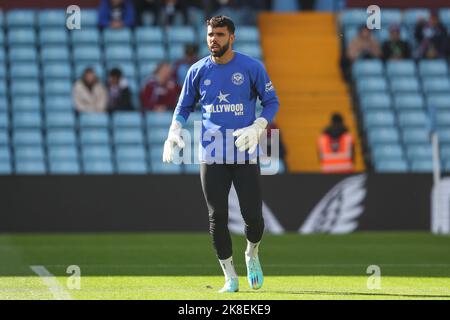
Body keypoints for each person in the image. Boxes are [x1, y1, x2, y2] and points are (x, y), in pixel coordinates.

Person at [162, 16, 279, 293]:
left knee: (253, 217)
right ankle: (230, 277)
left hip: (244, 150)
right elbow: (183, 105)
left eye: (220, 34)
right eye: (210, 34)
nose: (214, 39)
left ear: (232, 37)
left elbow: (271, 101)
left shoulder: (251, 67)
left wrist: (260, 124)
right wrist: (174, 130)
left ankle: (252, 254)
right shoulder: (198, 70)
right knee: (217, 217)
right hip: (211, 153)